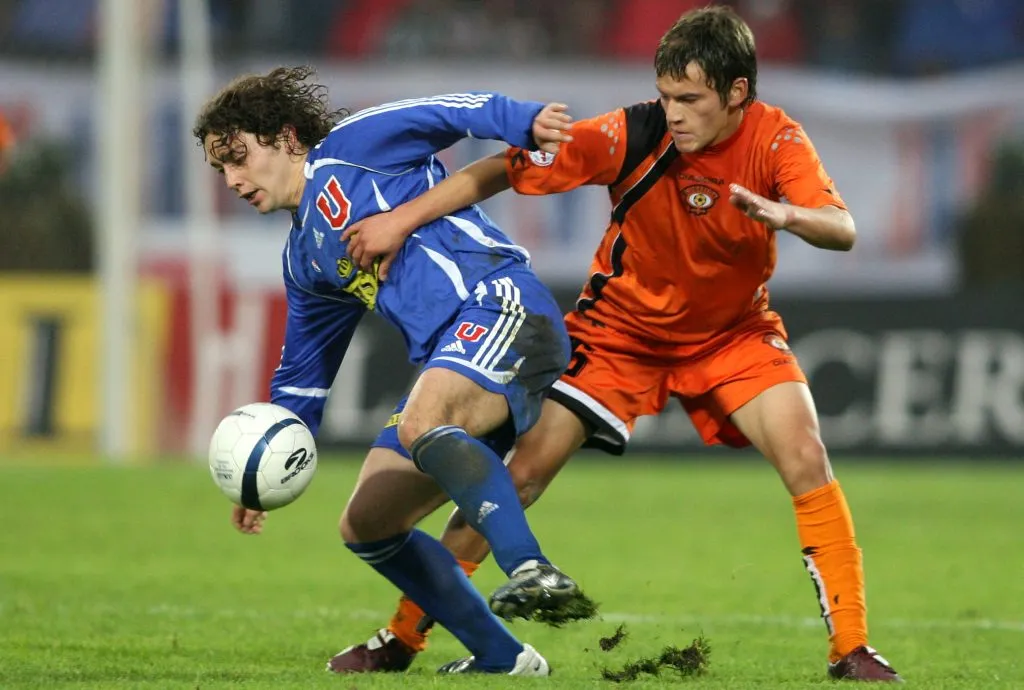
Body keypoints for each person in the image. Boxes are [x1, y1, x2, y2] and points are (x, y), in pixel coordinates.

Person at [332, 6, 902, 683]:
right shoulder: (634, 133)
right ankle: (403, 636)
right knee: (520, 475)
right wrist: (400, 220)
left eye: (690, 99)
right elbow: (498, 172)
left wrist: (788, 214)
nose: (675, 113)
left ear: (737, 94)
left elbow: (842, 228)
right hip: (618, 336)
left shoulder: (777, 142)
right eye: (667, 96)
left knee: (807, 454)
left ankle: (852, 649)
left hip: (733, 334)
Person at [192, 66, 583, 676]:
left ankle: (532, 570)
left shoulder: (353, 147)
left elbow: (450, 110)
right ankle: (504, 658)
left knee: (423, 419)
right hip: (453, 356)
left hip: (501, 302)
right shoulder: (305, 258)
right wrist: (258, 475)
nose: (233, 179)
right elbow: (304, 377)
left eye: (239, 156)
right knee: (366, 523)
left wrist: (522, 120)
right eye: (222, 169)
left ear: (287, 137)